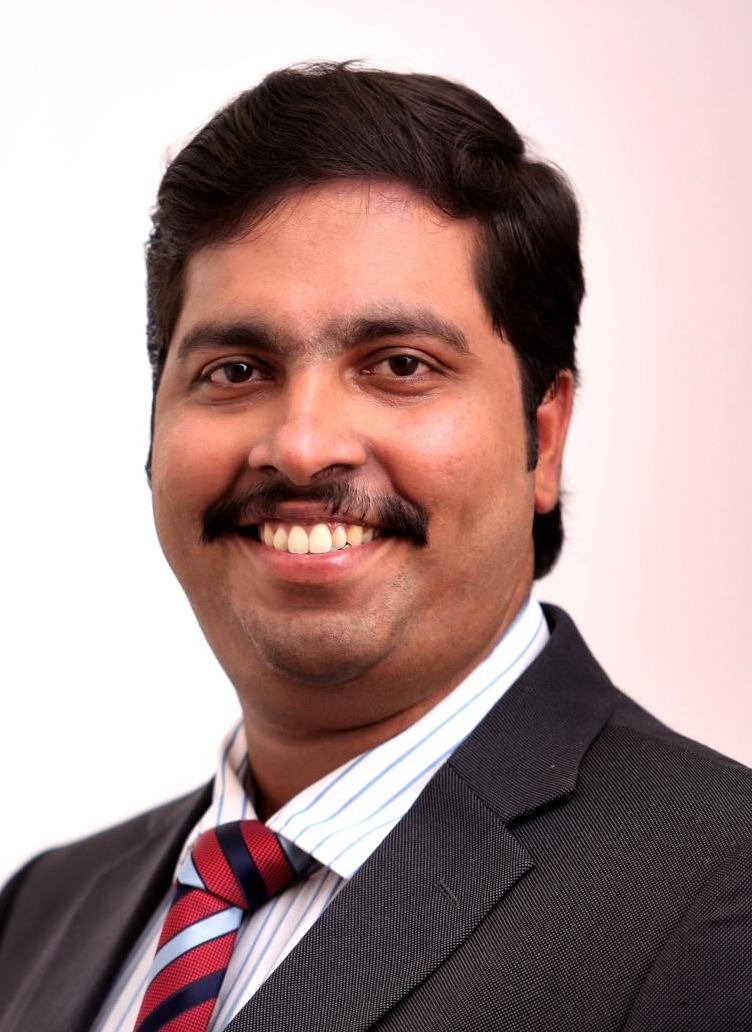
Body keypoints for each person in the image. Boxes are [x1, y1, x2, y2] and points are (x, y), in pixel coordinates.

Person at [0, 61, 750, 1032]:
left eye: (399, 365)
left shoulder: (720, 898)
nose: (302, 445)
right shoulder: (40, 915)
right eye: (235, 370)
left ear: (544, 436)